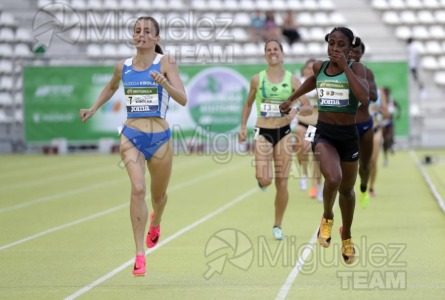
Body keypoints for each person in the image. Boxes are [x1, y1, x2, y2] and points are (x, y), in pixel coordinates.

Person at [79, 16, 187, 277]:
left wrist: (165, 83)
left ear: (156, 38)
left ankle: (156, 222)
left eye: (147, 32)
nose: (141, 35)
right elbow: (110, 87)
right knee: (137, 189)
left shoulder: (166, 62)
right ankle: (140, 254)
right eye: (137, 31)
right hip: (131, 135)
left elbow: (182, 99)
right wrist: (93, 108)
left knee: (158, 197)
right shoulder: (123, 66)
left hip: (160, 138)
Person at [279, 27, 369, 264]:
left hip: (348, 136)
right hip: (325, 134)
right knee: (333, 179)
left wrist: (346, 67)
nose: (335, 49)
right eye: (331, 44)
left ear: (350, 48)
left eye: (341, 45)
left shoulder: (357, 69)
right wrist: (291, 98)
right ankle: (327, 217)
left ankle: (346, 235)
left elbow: (364, 97)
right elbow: (312, 80)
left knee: (348, 192)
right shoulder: (320, 67)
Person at [239, 39, 312, 240]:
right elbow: (248, 104)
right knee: (265, 178)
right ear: (265, 55)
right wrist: (243, 126)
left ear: (282, 53)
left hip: (284, 134)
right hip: (263, 132)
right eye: (269, 50)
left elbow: (307, 106)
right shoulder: (257, 79)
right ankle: (262, 181)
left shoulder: (293, 80)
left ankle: (277, 225)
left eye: (276, 49)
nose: (273, 53)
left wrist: (294, 110)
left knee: (282, 182)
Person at [348, 42, 378, 209]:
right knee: (345, 164)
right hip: (346, 125)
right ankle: (345, 192)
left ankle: (364, 187)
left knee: (365, 164)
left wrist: (361, 84)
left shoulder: (367, 73)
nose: (353, 55)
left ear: (361, 54)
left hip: (364, 124)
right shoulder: (338, 71)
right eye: (351, 51)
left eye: (357, 52)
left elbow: (373, 96)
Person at [293, 58, 323, 201]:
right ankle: (303, 173)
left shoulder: (323, 83)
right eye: (308, 68)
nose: (311, 70)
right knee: (303, 148)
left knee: (318, 157)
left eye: (314, 68)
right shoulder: (300, 83)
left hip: (318, 125)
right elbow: (292, 99)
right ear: (303, 69)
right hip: (302, 123)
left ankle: (318, 187)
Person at [368, 87, 390, 197]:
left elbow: (387, 114)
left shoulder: (380, 93)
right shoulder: (356, 88)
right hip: (360, 130)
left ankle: (371, 186)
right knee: (358, 162)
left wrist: (379, 109)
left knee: (373, 161)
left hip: (376, 130)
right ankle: (361, 182)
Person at [381, 86, 401, 167]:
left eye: (387, 93)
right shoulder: (381, 102)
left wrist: (398, 115)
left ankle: (392, 144)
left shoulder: (392, 101)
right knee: (384, 142)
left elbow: (399, 107)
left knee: (390, 134)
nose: (386, 94)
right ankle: (385, 158)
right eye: (384, 93)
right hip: (382, 122)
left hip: (389, 121)